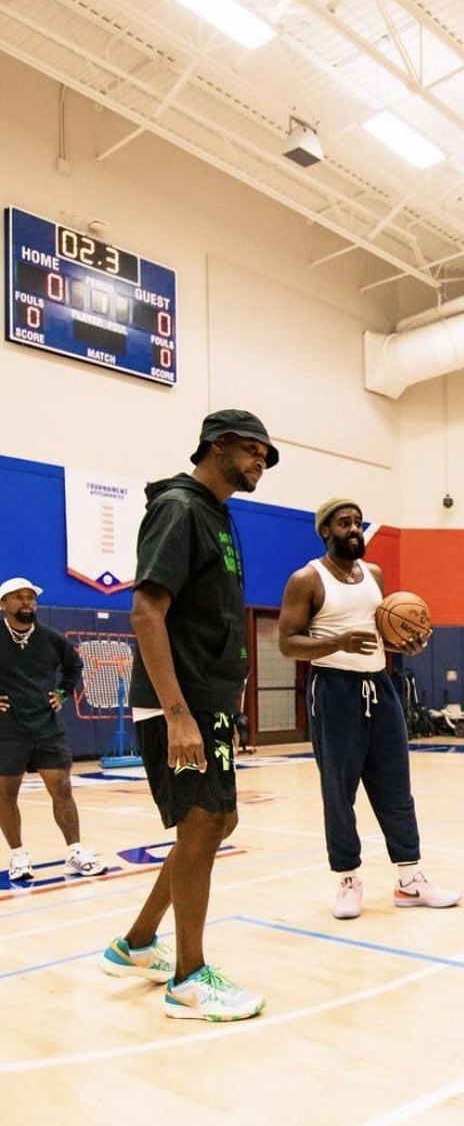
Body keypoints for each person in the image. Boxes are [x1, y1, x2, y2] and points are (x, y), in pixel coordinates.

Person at [101, 409, 278, 1020]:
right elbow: (146, 613)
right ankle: (187, 980)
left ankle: (138, 942)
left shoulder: (218, 516)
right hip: (180, 702)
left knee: (216, 822)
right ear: (217, 445)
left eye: (265, 456)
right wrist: (178, 714)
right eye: (253, 450)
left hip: (209, 699)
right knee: (202, 822)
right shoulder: (179, 508)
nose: (261, 462)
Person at [277, 497, 460, 919]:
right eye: (345, 523)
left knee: (396, 785)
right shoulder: (307, 579)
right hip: (333, 688)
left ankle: (410, 879)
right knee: (338, 791)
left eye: (358, 522)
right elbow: (288, 643)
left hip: (380, 685)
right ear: (326, 531)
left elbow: (382, 636)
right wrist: (336, 642)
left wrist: (406, 643)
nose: (354, 529)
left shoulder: (374, 575)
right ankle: (347, 878)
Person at [0, 576, 105, 885]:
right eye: (18, 597)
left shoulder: (51, 638)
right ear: (3, 604)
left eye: (30, 597)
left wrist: (62, 693)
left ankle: (75, 851)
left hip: (47, 728)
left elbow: (74, 667)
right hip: (7, 730)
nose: (26, 602)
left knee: (62, 789)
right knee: (6, 794)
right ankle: (18, 855)